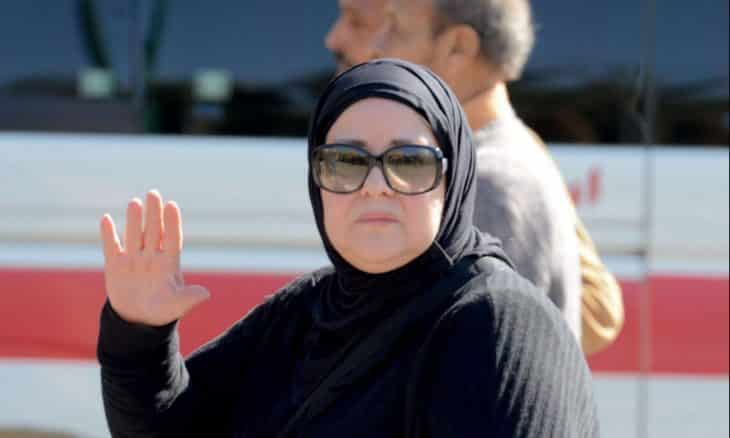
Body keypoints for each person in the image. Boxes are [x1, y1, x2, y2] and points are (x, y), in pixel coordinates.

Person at [97, 59, 599, 437]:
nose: (375, 186)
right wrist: (139, 336)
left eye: (409, 161)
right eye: (345, 162)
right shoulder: (307, 312)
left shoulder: (496, 324)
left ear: (455, 180)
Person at [325, 0, 624, 353]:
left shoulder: (488, 184)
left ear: (458, 47)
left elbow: (480, 366)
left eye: (396, 29)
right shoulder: (485, 163)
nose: (376, 48)